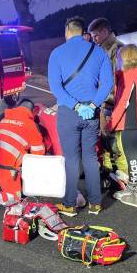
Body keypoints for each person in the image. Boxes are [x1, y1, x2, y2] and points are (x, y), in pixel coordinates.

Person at [47, 16, 114, 217]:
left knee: (71, 159)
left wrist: (74, 104)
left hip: (69, 112)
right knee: (91, 157)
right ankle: (95, 203)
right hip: (91, 113)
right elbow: (108, 84)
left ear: (68, 31)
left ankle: (70, 204)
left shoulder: (57, 53)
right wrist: (93, 104)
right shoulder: (98, 52)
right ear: (83, 31)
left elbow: (56, 87)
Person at [107, 44, 137, 208]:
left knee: (132, 160)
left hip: (133, 124)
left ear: (125, 58)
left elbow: (123, 102)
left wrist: (111, 124)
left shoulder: (129, 75)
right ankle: (136, 191)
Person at [0, 97, 45, 207]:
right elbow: (38, 154)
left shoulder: (4, 116)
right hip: (5, 166)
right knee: (15, 197)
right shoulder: (31, 125)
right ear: (31, 112)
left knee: (2, 174)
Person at [88, 18, 128, 186]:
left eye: (96, 35)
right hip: (105, 102)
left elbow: (114, 79)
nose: (94, 39)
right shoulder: (103, 49)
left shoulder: (116, 49)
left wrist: (104, 98)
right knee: (105, 138)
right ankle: (108, 173)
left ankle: (122, 175)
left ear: (105, 31)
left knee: (114, 141)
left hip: (112, 102)